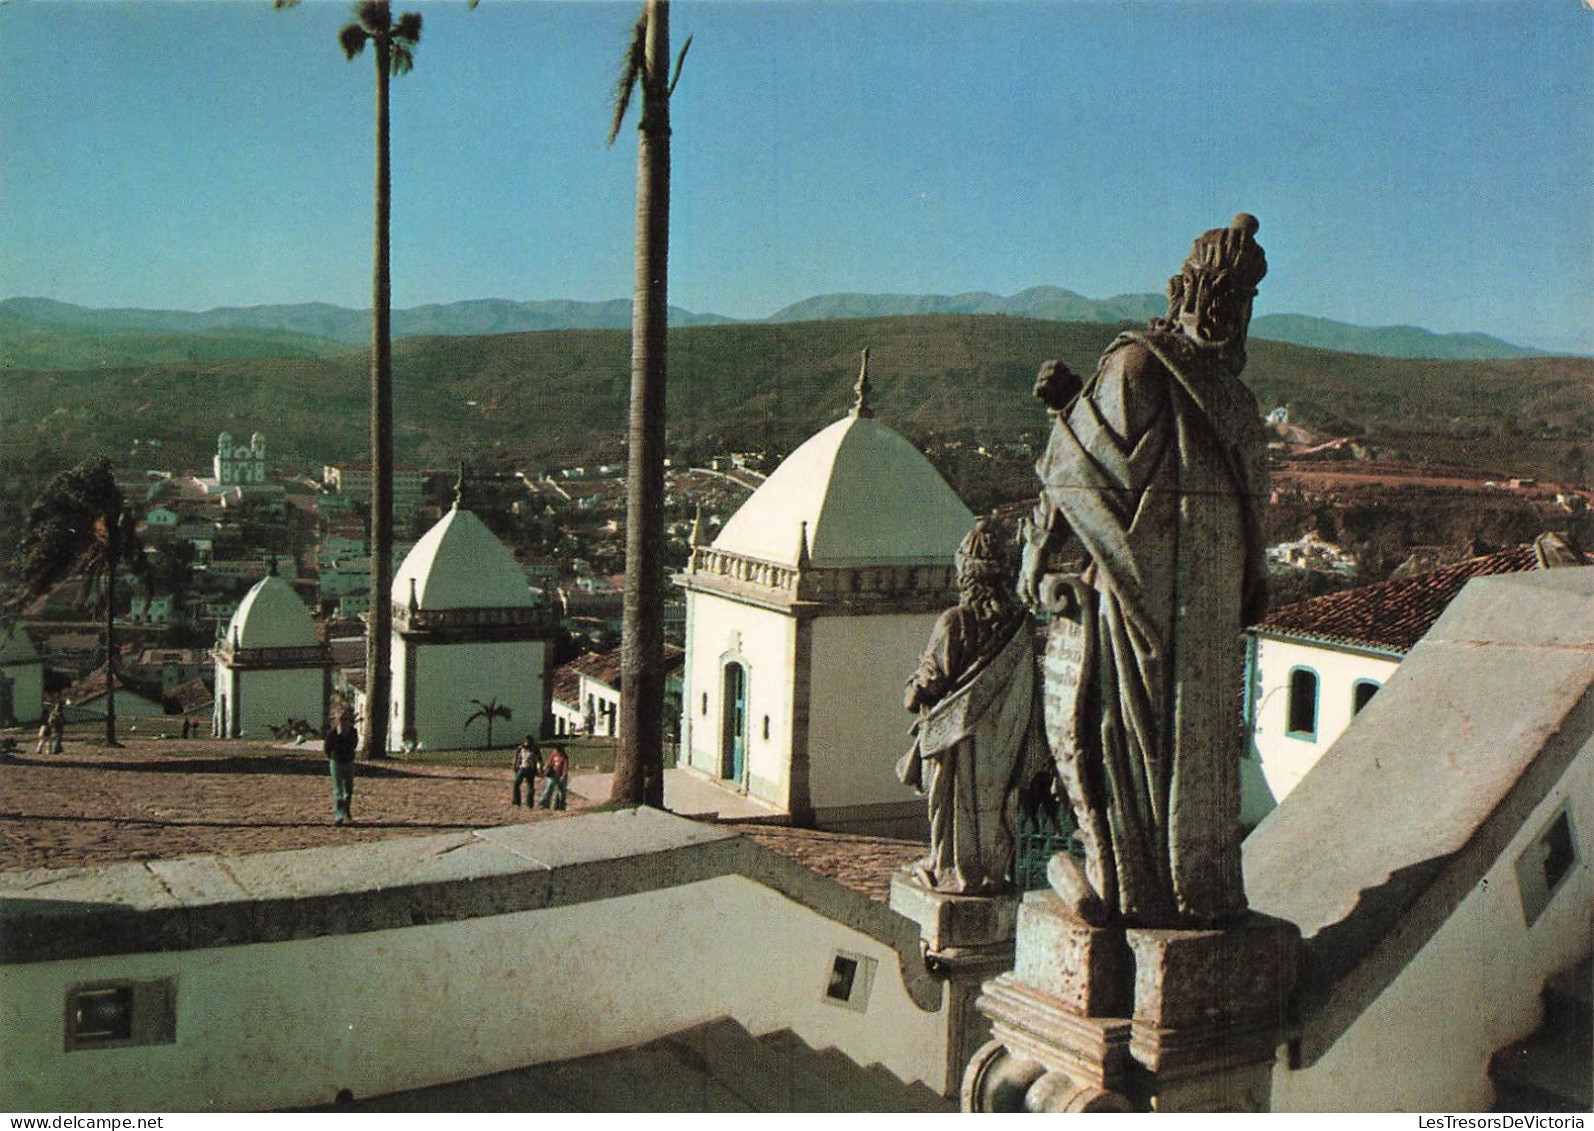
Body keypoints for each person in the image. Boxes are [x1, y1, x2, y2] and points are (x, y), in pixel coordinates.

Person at [1020, 214, 1270, 929]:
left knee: (1160, 761)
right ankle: (1137, 887)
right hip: (1142, 618)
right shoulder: (1149, 370)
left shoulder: (1203, 392)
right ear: (1197, 297)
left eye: (1239, 301)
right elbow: (1083, 476)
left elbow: (1081, 469)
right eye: (1226, 298)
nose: (1231, 316)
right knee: (1134, 756)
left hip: (1179, 620)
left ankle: (1155, 887)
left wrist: (1069, 411)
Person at [898, 518, 1049, 895]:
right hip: (1003, 740)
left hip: (956, 737)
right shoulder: (1019, 625)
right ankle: (988, 870)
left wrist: (911, 691)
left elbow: (928, 683)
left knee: (952, 808)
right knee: (993, 806)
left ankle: (949, 867)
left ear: (965, 572)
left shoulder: (955, 621)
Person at [325, 710, 359, 825]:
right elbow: (327, 748)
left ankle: (347, 811)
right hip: (336, 762)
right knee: (338, 790)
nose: (343, 722)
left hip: (349, 761)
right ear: (336, 721)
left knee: (349, 790)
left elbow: (354, 744)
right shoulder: (332, 733)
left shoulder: (353, 732)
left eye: (345, 719)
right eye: (340, 720)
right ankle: (339, 815)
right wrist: (333, 757)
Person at [511, 734, 542, 806]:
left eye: (528, 741)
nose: (526, 742)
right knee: (516, 784)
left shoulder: (534, 750)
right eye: (525, 741)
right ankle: (516, 801)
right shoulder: (520, 749)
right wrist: (514, 765)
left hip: (530, 769)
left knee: (530, 786)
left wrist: (539, 769)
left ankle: (529, 803)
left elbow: (538, 760)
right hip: (521, 768)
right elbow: (516, 757)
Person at [538, 745, 569, 810]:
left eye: (558, 751)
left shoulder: (564, 757)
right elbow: (549, 762)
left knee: (561, 792)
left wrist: (563, 776)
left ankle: (560, 806)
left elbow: (565, 768)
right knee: (549, 788)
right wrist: (545, 768)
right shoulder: (553, 754)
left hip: (560, 775)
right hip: (553, 774)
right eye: (556, 751)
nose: (556, 752)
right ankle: (544, 803)